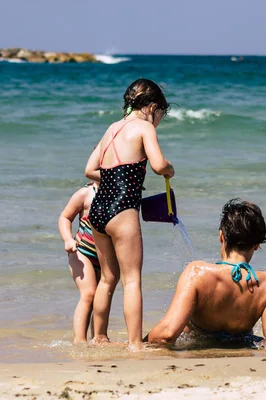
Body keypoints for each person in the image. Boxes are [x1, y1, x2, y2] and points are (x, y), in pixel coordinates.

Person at [85, 79, 175, 348]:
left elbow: (90, 170)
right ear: (151, 107)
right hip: (122, 209)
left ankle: (98, 337)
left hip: (98, 208)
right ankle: (135, 344)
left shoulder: (112, 128)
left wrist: (119, 176)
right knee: (132, 279)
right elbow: (159, 165)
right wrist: (169, 169)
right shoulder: (144, 127)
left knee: (107, 279)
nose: (158, 120)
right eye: (160, 115)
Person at [145, 199, 266, 351]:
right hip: (241, 353)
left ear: (222, 236)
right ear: (256, 245)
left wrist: (138, 341)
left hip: (199, 353)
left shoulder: (197, 273)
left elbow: (166, 335)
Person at [57, 181, 100, 344]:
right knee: (89, 294)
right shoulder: (86, 193)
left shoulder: (121, 192)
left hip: (106, 254)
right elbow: (65, 217)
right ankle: (79, 341)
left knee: (101, 297)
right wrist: (68, 239)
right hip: (82, 250)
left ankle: (98, 337)